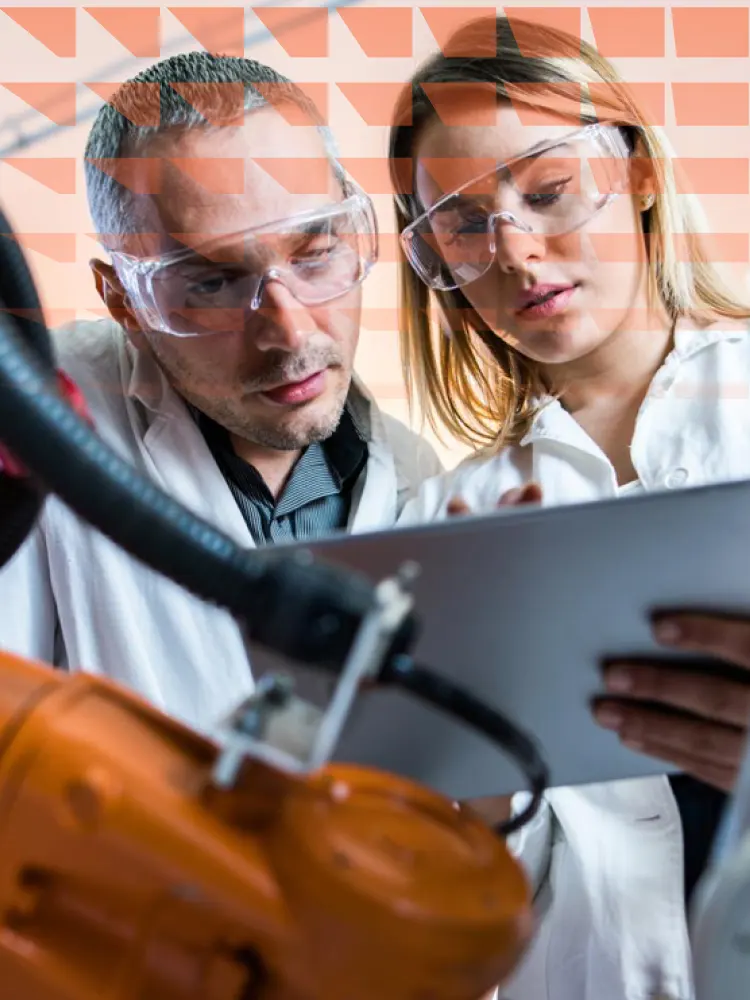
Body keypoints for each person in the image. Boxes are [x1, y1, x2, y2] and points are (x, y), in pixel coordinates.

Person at [389, 14, 750, 1000]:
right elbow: (465, 909)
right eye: (463, 224)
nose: (514, 250)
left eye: (548, 192)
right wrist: (474, 771)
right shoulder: (444, 520)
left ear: (635, 172)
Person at [0, 52, 442, 733]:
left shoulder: (421, 482)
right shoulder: (41, 425)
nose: (290, 332)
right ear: (123, 300)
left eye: (315, 252)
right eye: (212, 283)